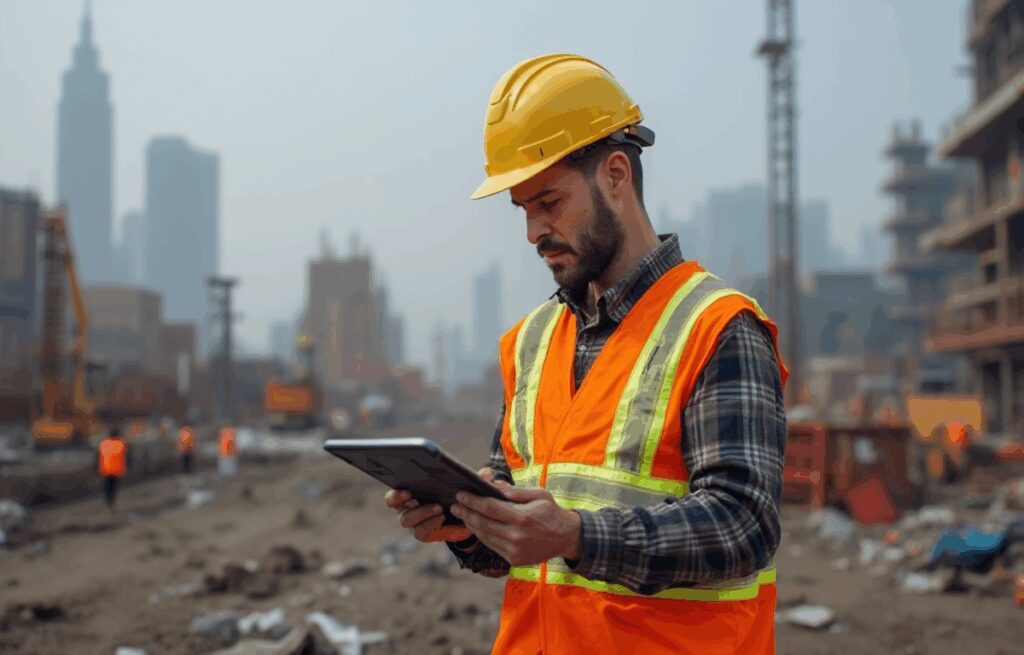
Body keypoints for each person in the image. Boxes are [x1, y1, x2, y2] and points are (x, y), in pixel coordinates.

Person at [386, 53, 788, 654]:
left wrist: (574, 535)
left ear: (617, 176)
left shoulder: (717, 327)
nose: (533, 232)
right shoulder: (530, 342)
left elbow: (743, 526)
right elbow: (519, 538)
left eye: (548, 202)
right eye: (523, 209)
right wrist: (468, 524)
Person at [97, 427, 129, 510]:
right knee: (114, 487)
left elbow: (98, 457)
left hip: (105, 469)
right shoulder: (122, 444)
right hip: (117, 470)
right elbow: (127, 457)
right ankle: (111, 502)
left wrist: (96, 469)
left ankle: (108, 501)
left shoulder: (104, 443)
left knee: (106, 486)